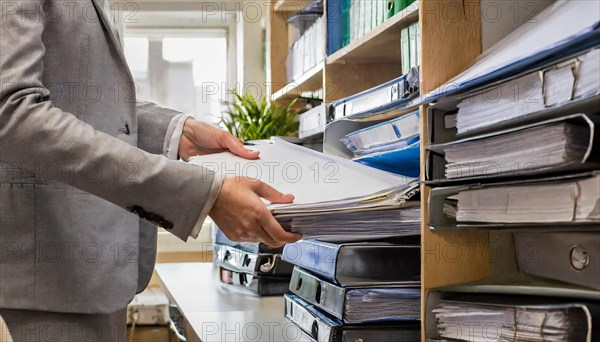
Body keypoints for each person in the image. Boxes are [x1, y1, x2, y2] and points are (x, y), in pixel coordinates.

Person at [0, 0, 301, 340]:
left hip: (84, 270)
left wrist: (176, 130)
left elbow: (83, 103)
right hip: (55, 266)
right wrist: (203, 193)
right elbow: (13, 115)